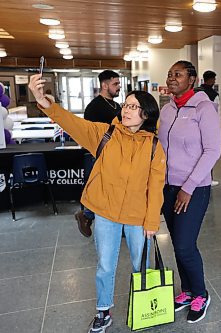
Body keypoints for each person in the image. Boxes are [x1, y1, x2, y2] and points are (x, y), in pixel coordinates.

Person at [28, 74, 165, 333]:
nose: (127, 110)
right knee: (105, 264)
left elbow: (156, 187)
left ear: (146, 114)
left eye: (134, 107)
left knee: (141, 265)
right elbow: (72, 123)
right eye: (126, 104)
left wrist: (152, 220)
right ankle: (104, 310)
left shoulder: (155, 146)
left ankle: (145, 306)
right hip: (106, 213)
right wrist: (45, 103)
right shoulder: (105, 133)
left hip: (138, 217)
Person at [158, 60, 221, 324]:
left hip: (194, 189)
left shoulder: (204, 108)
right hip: (167, 188)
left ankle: (201, 294)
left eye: (179, 74)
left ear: (192, 80)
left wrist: (188, 187)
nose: (172, 78)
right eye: (170, 74)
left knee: (185, 245)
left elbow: (213, 151)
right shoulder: (167, 109)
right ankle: (186, 290)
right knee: (177, 243)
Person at [75, 70, 121, 238]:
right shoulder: (94, 107)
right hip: (100, 155)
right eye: (115, 84)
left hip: (117, 155)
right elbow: (87, 133)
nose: (119, 87)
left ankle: (117, 222)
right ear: (104, 85)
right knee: (99, 189)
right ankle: (86, 215)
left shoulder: (117, 106)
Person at [195, 70, 220, 186]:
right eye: (214, 79)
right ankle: (208, 178)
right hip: (208, 126)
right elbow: (216, 112)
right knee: (209, 152)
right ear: (210, 80)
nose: (214, 81)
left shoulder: (195, 91)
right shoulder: (214, 94)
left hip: (194, 125)